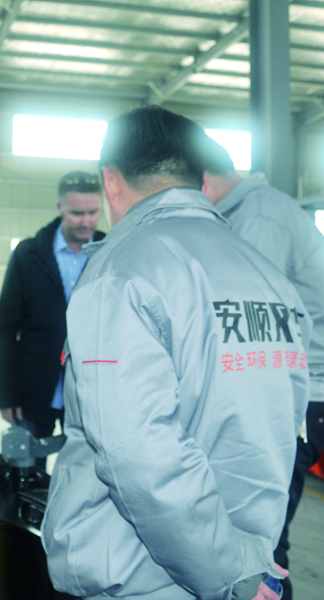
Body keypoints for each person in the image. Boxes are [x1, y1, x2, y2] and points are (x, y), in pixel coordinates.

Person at [41, 106, 311, 600]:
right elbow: (283, 423)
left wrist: (230, 572)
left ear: (111, 181)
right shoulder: (272, 279)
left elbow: (137, 453)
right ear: (201, 180)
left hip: (143, 577)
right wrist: (246, 567)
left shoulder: (120, 274)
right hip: (250, 563)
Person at [201, 140, 324, 600]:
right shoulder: (251, 210)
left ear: (203, 182)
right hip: (290, 388)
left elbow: (244, 318)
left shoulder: (258, 219)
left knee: (261, 537)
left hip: (300, 395)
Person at [0, 171, 105, 459]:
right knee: (27, 470)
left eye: (93, 212)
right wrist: (6, 396)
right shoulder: (29, 254)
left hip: (90, 394)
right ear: (59, 207)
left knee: (85, 474)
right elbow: (6, 328)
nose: (86, 221)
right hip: (34, 391)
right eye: (77, 213)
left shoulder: (109, 253)